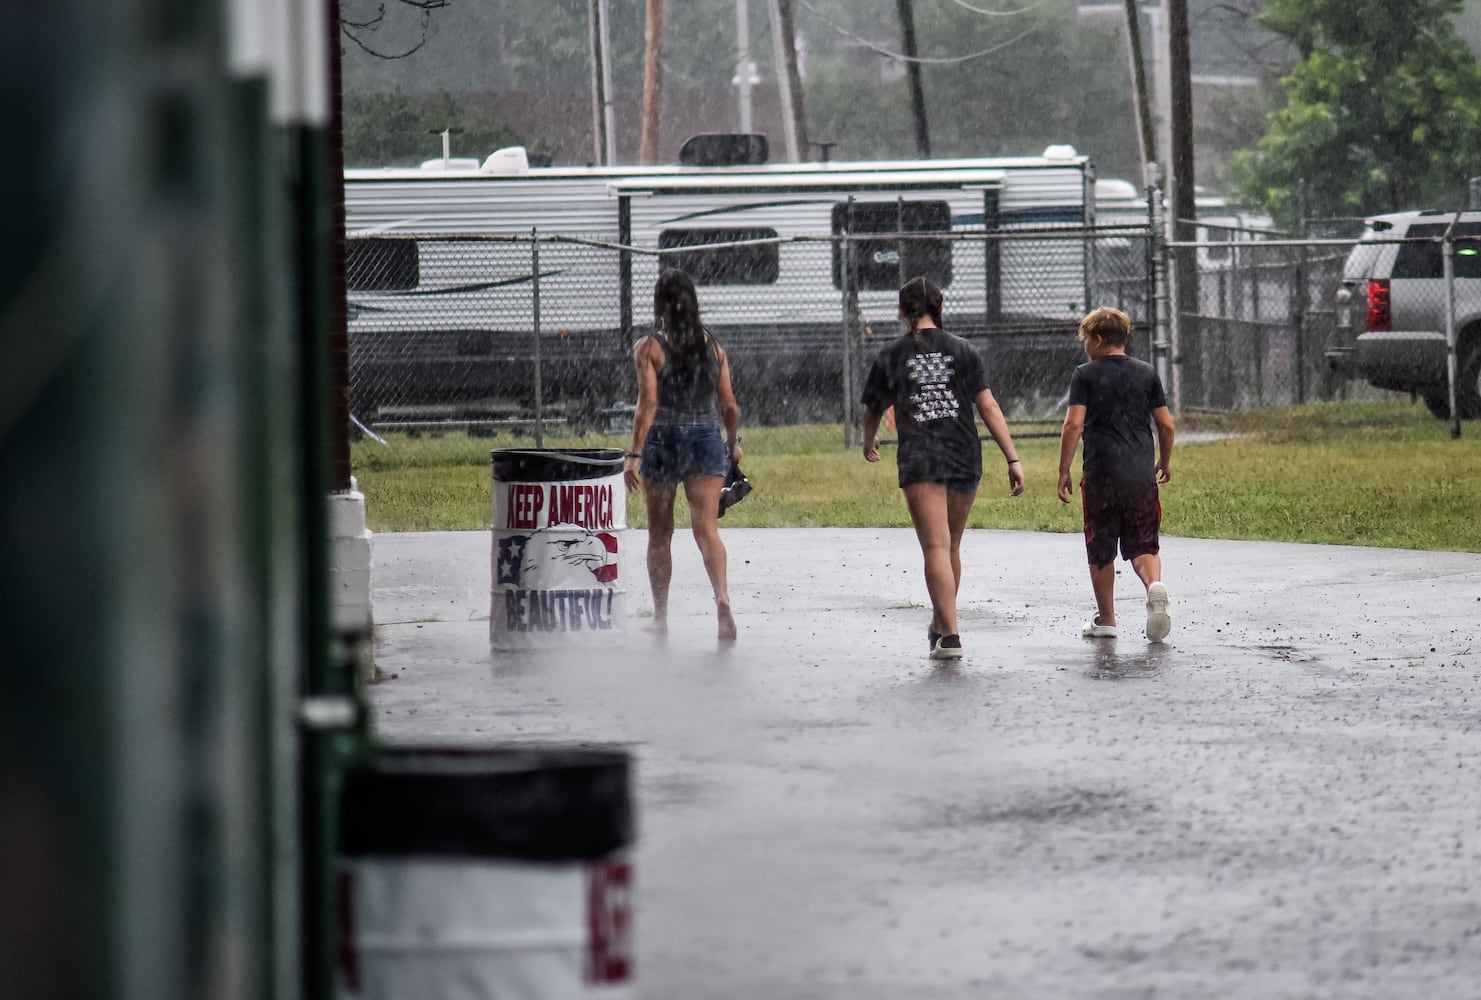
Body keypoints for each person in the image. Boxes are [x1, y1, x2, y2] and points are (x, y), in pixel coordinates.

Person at [861, 276, 1025, 661]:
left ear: (903, 311)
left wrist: (869, 442)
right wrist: (1012, 458)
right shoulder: (963, 350)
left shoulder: (891, 354)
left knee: (935, 546)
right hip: (964, 453)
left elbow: (872, 409)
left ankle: (949, 635)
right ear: (940, 306)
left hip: (922, 457)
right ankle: (939, 622)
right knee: (950, 545)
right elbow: (988, 408)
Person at [624, 269, 742, 641]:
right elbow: (729, 405)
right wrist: (733, 442)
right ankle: (722, 601)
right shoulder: (715, 346)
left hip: (663, 442)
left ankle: (660, 618)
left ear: (660, 303)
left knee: (660, 535)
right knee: (707, 530)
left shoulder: (650, 347)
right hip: (706, 438)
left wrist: (634, 454)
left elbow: (648, 404)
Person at [1056, 306, 1176, 642]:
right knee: (1144, 544)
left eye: (1085, 340)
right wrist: (1164, 461)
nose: (1084, 347)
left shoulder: (1085, 374)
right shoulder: (1147, 372)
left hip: (1101, 476)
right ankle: (1154, 587)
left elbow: (1074, 423)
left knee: (1101, 545)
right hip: (1140, 475)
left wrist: (1064, 469)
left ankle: (1106, 619)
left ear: (1096, 339)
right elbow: (1166, 424)